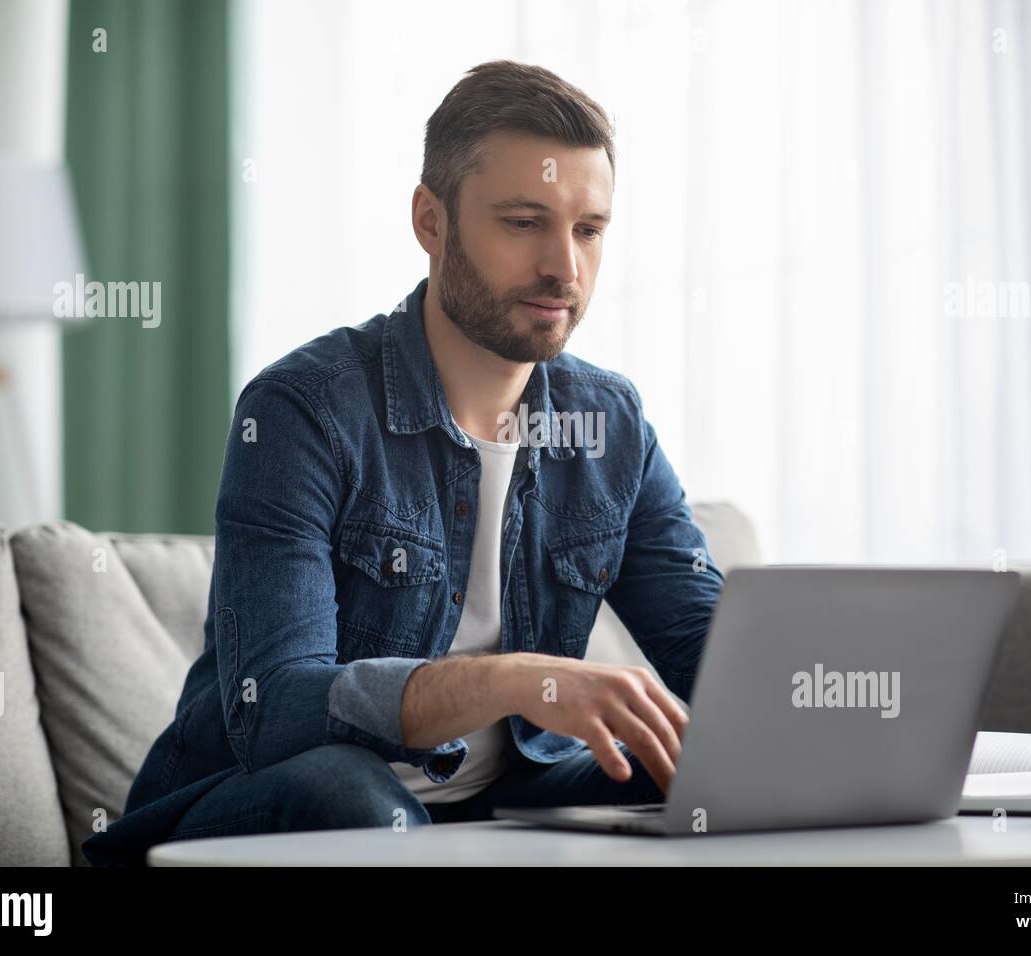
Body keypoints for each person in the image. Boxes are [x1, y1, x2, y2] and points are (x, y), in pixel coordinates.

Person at [82, 59, 724, 866]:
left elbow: (714, 657)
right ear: (431, 219)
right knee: (349, 793)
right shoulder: (302, 410)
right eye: (524, 223)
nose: (566, 267)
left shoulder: (610, 423)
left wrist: (855, 699)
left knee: (697, 775)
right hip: (262, 805)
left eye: (588, 230)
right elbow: (273, 709)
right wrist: (521, 680)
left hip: (498, 804)